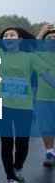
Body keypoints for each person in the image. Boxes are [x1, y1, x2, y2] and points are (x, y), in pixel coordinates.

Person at [0, 0, 55, 183]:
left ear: (20, 39)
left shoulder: (30, 57)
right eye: (5, 35)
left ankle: (17, 168)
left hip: (24, 107)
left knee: (22, 143)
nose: (8, 37)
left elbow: (47, 76)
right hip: (0, 105)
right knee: (6, 143)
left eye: (12, 35)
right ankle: (11, 180)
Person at [35, 24, 55, 167]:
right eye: (50, 37)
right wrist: (42, 32)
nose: (53, 39)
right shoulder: (40, 55)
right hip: (44, 98)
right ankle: (50, 152)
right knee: (46, 127)